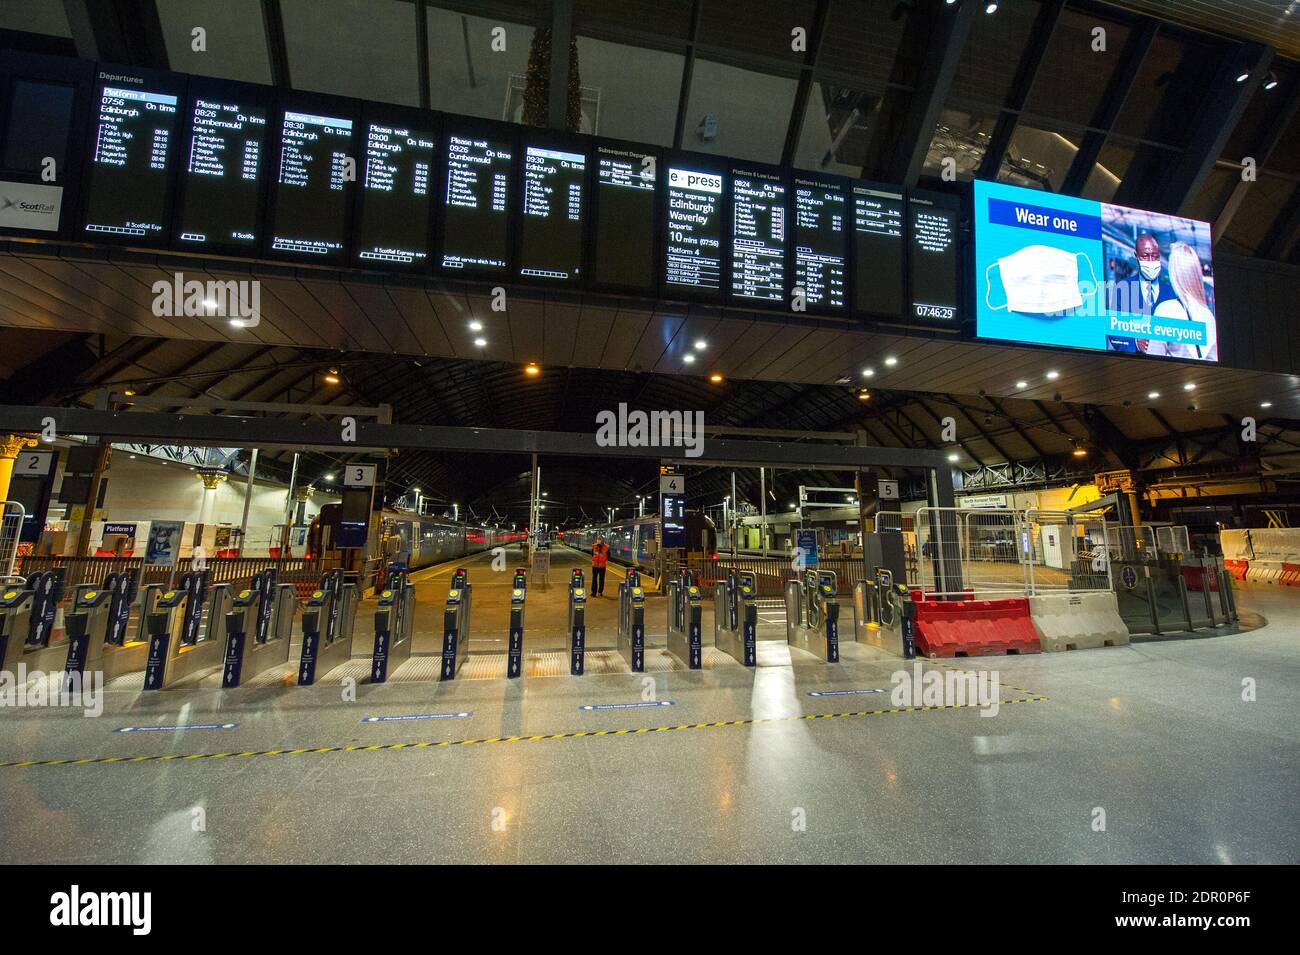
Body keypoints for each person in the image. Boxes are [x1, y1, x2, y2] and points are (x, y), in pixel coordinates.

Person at [1106, 232, 1178, 353]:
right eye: (1145, 256)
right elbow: (1113, 330)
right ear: (1136, 255)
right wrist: (1135, 343)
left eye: (1155, 256)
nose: (1151, 261)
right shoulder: (1122, 289)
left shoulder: (1171, 293)